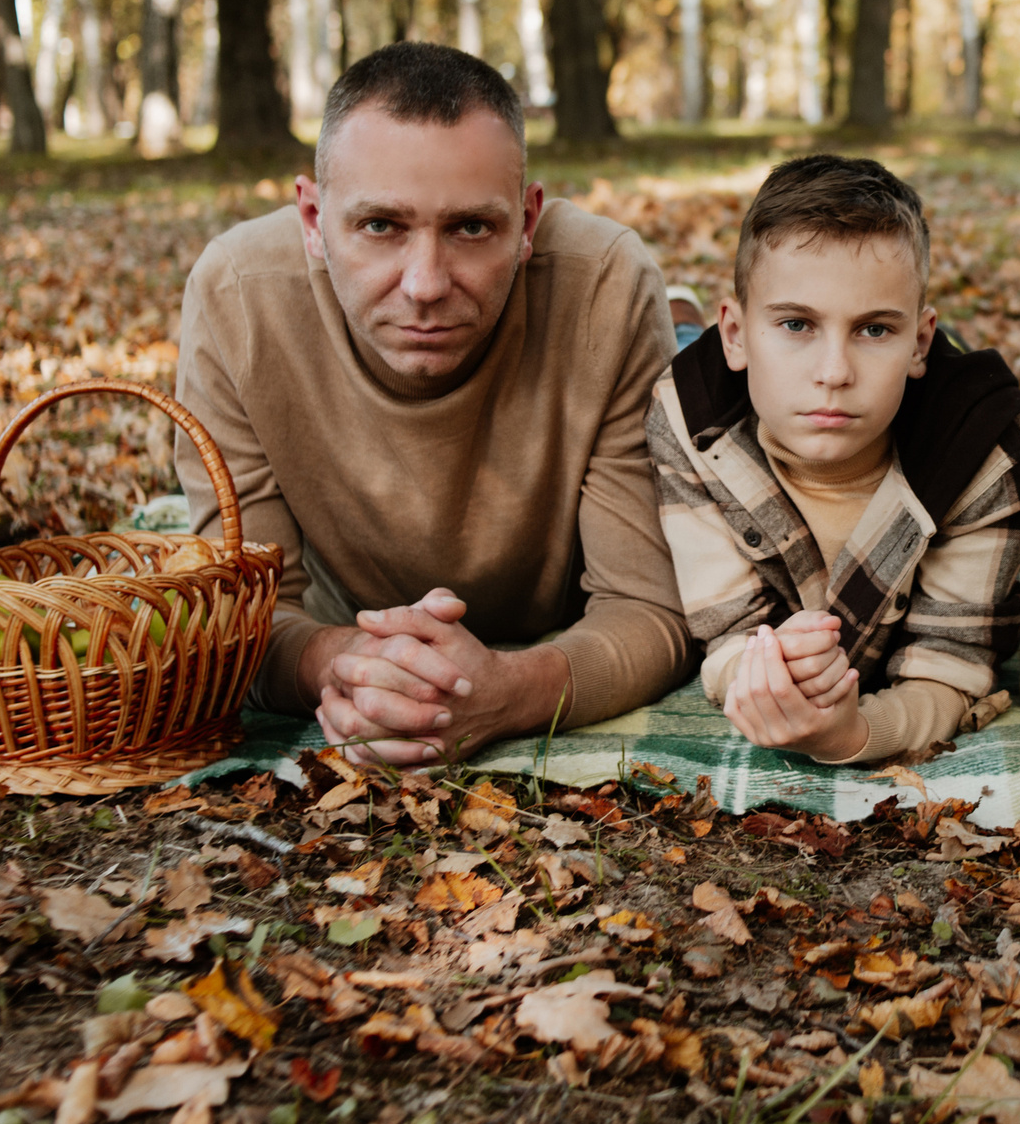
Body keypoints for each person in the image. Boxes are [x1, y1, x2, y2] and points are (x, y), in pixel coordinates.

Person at [173, 42, 689, 766]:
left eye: (471, 228)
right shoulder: (237, 298)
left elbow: (652, 609)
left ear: (528, 221)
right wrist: (341, 662)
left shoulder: (606, 283)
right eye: (380, 226)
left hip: (557, 582)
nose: (425, 283)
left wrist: (512, 689)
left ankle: (680, 328)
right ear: (313, 219)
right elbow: (240, 620)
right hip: (354, 601)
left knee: (716, 387)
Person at [649, 156, 1020, 765]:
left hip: (932, 415)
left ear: (920, 341)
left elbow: (951, 668)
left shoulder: (989, 454)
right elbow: (725, 629)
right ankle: (685, 324)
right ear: (734, 333)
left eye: (874, 331)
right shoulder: (687, 421)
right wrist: (759, 675)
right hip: (730, 389)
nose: (834, 373)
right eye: (796, 323)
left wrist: (851, 735)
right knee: (681, 352)